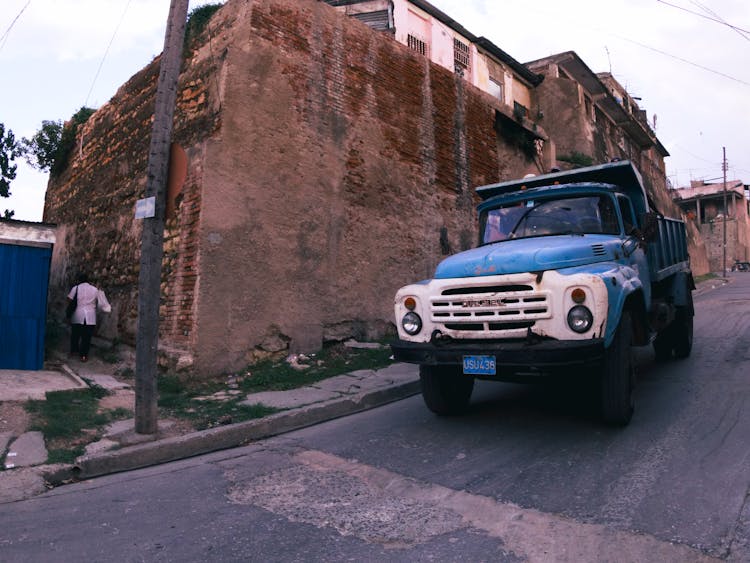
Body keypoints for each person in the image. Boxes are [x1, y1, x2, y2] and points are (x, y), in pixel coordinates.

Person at [67, 272, 111, 362]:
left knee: (75, 334)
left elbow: (69, 299)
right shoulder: (95, 290)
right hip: (90, 317)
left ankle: (74, 351)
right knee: (86, 337)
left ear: (79, 280)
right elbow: (101, 302)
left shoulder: (76, 288)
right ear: (88, 280)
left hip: (77, 315)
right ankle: (84, 355)